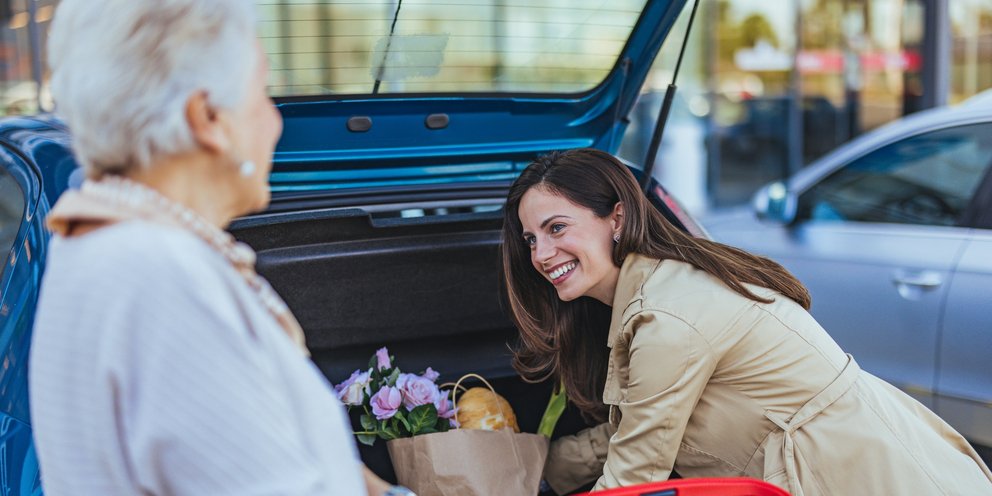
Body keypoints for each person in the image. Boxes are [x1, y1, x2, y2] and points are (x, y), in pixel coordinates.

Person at [29, 1, 408, 495]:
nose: (275, 122)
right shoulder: (161, 277)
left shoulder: (92, 242)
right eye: (263, 94)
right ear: (207, 117)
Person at [500, 148, 992, 495]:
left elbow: (634, 475)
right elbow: (634, 429)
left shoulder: (668, 317)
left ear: (618, 218)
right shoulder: (660, 290)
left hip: (866, 478)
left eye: (557, 228)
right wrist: (531, 470)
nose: (541, 254)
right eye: (530, 240)